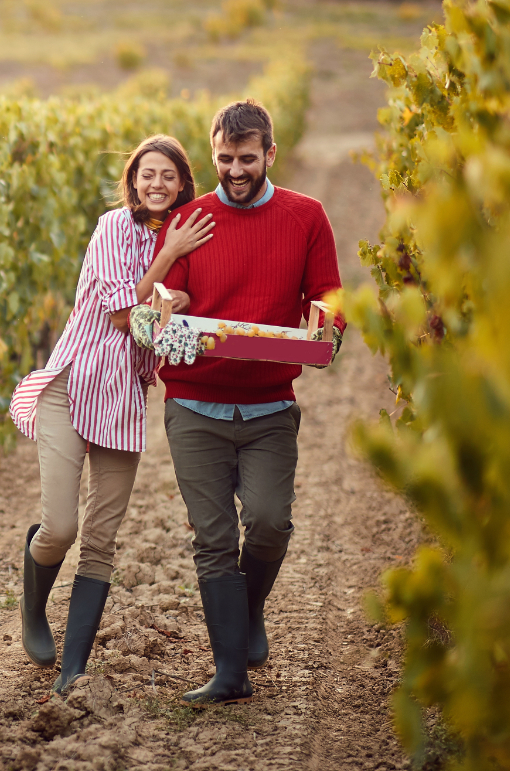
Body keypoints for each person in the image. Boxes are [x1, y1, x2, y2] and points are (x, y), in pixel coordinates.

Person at [130, 99, 345, 706]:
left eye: (247, 159)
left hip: (269, 406)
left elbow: (328, 298)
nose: (234, 170)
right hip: (195, 405)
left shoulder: (307, 216)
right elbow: (159, 304)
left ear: (270, 154)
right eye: (224, 159)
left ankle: (245, 615)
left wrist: (326, 328)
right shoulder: (190, 220)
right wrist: (169, 305)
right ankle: (230, 673)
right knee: (214, 538)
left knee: (272, 522)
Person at [8, 135, 215, 695]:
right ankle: (32, 609)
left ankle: (74, 669)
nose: (156, 183)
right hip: (72, 387)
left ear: (181, 185)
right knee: (61, 527)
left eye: (168, 176)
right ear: (132, 180)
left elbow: (184, 316)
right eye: (147, 173)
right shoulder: (111, 229)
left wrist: (182, 288)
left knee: (101, 538)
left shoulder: (189, 240)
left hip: (123, 400)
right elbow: (126, 314)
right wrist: (169, 259)